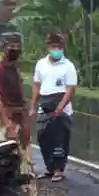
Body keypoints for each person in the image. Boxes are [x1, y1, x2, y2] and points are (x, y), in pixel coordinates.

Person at [28, 32, 78, 183]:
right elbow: (36, 85)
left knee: (59, 139)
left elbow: (70, 89)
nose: (56, 50)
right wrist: (33, 106)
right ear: (48, 47)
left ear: (63, 48)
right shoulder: (41, 64)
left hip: (61, 104)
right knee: (43, 137)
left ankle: (58, 170)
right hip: (45, 103)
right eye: (53, 46)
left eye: (59, 47)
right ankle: (49, 167)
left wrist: (60, 107)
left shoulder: (68, 66)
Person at [0, 32, 34, 196]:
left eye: (17, 46)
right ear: (3, 47)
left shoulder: (15, 69)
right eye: (11, 46)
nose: (15, 49)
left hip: (19, 118)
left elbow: (22, 99)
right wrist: (8, 125)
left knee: (25, 162)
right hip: (6, 120)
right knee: (8, 162)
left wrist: (26, 125)